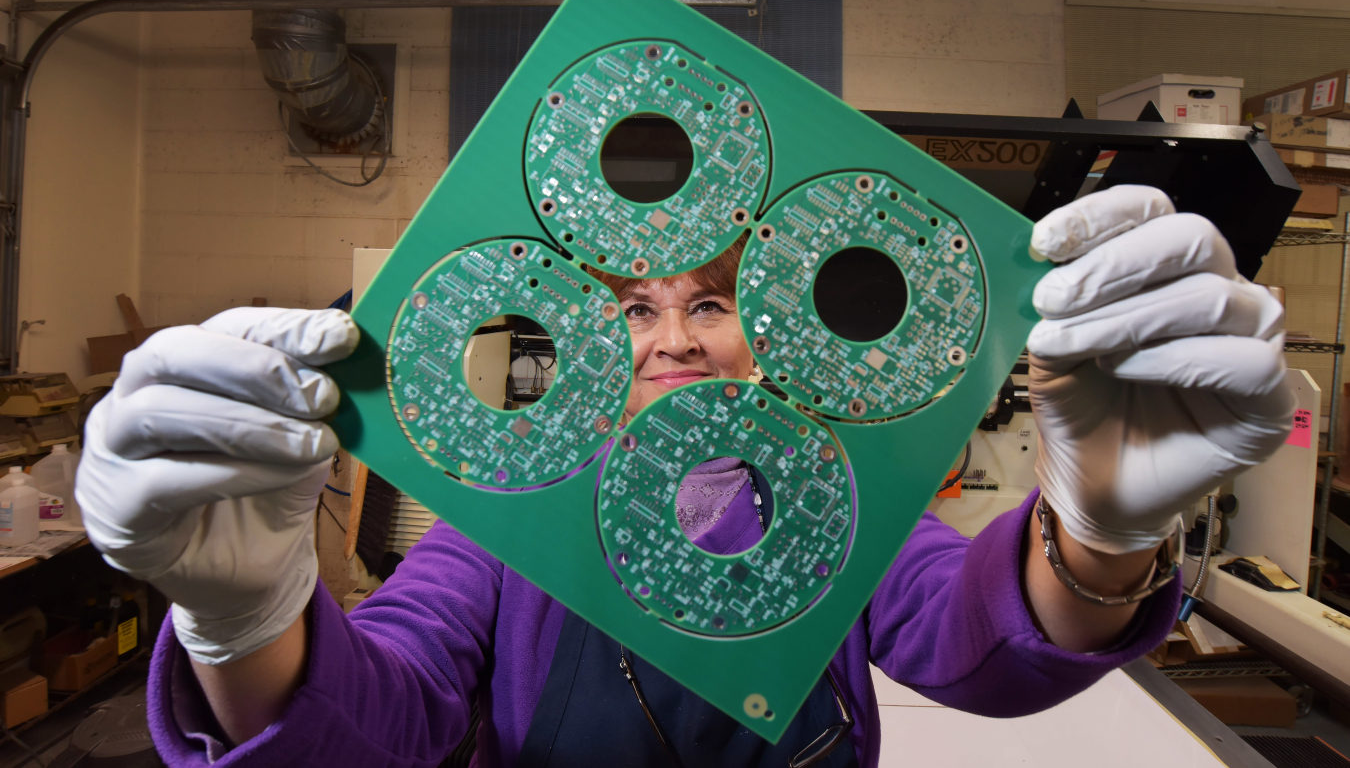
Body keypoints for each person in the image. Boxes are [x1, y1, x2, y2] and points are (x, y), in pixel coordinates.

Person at [76, 185, 1293, 767]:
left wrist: (1099, 537)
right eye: (635, 308)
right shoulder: (511, 526)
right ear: (588, 343)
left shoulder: (827, 501)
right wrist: (245, 626)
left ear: (764, 324)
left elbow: (972, 624)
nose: (672, 338)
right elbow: (382, 714)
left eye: (709, 301)